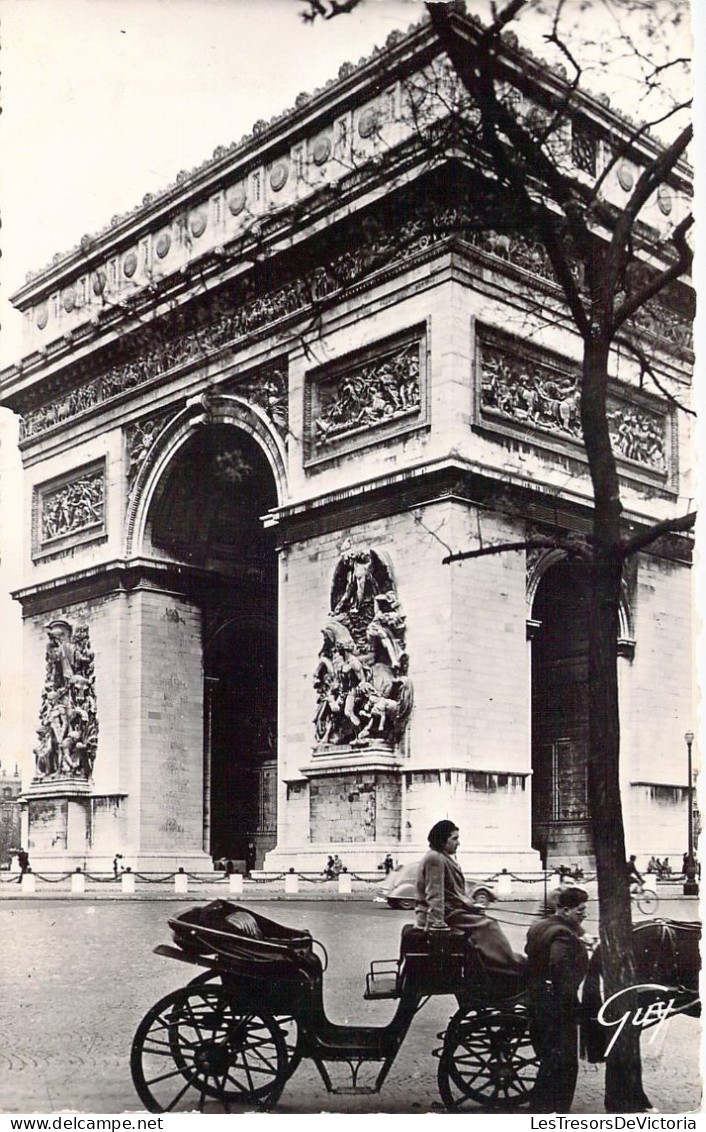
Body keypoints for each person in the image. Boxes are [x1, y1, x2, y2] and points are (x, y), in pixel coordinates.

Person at [414, 820, 524, 972]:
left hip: (450, 912)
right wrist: (437, 926)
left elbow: (452, 893)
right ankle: (509, 964)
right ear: (442, 840)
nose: (458, 843)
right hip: (444, 916)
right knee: (489, 926)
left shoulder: (440, 856)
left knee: (487, 922)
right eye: (454, 838)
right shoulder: (436, 858)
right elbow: (435, 895)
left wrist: (471, 906)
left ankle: (497, 963)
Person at [525, 886, 590, 1113]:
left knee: (551, 1060)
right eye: (580, 911)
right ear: (564, 910)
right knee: (564, 1062)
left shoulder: (541, 925)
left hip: (539, 1001)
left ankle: (542, 1107)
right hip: (557, 1007)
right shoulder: (562, 934)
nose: (584, 915)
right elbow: (559, 967)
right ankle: (553, 1112)